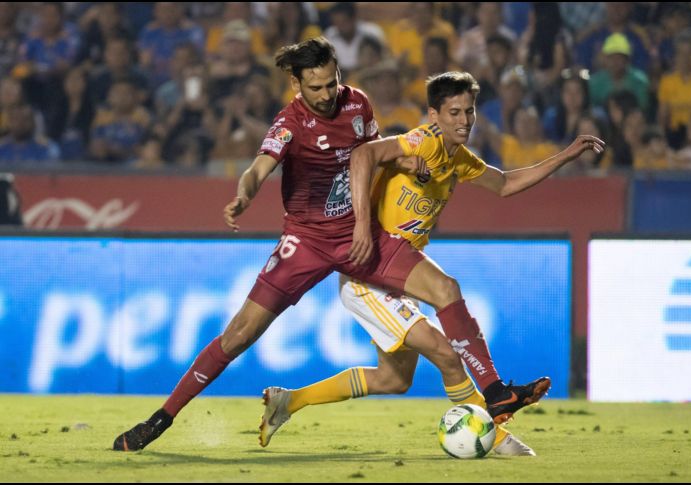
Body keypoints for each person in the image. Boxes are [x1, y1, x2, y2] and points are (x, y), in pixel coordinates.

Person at [112, 38, 559, 452]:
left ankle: (497, 396)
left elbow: (373, 154)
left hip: (360, 241)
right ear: (296, 83)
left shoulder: (358, 103)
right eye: (316, 87)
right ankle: (162, 418)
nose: (327, 94)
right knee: (237, 336)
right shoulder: (289, 124)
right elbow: (259, 166)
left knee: (445, 292)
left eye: (332, 83)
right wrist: (245, 194)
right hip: (305, 242)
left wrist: (405, 167)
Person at [258, 71, 605, 455]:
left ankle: (290, 401)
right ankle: (497, 417)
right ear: (434, 114)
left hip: (399, 272)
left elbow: (504, 183)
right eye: (454, 112)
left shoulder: (458, 158)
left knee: (393, 380)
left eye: (469, 112)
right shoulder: (423, 141)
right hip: (368, 271)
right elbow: (365, 153)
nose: (464, 121)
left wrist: (567, 155)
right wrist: (359, 223)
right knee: (446, 339)